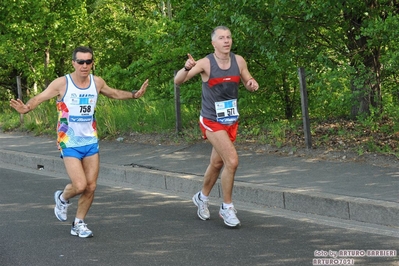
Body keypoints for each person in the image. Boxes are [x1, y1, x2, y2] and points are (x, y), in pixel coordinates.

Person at [10, 46, 149, 238]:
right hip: (69, 141)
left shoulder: (97, 82)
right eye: (81, 62)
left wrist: (134, 94)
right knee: (80, 185)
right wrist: (27, 108)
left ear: (92, 63)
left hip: (90, 140)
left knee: (91, 186)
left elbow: (114, 93)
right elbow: (40, 97)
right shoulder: (62, 83)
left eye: (88, 62)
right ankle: (62, 197)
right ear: (73, 63)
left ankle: (79, 223)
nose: (85, 66)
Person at [174, 26, 259, 227]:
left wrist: (252, 84)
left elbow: (248, 79)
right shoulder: (205, 63)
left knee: (217, 163)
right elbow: (178, 81)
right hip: (211, 120)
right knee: (232, 161)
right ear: (214, 43)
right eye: (221, 38)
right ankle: (227, 207)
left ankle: (202, 197)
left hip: (230, 121)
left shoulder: (239, 61)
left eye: (228, 37)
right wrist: (186, 68)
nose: (226, 41)